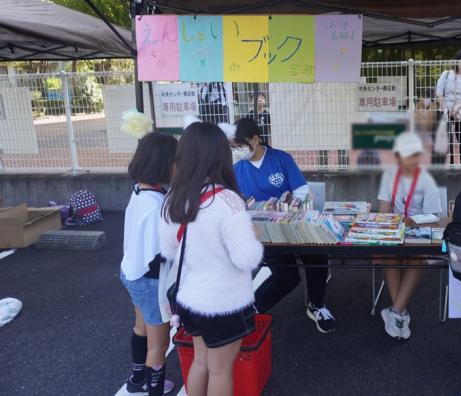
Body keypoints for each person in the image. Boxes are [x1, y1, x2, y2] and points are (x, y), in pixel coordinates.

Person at [160, 121, 264, 396]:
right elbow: (247, 258)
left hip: (190, 298)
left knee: (200, 361)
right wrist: (252, 234)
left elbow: (169, 249)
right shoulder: (227, 200)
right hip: (224, 303)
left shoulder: (175, 198)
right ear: (219, 154)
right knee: (220, 371)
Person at [233, 117, 335, 333]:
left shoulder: (281, 159)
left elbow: (302, 192)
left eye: (241, 146)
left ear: (255, 139)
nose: (239, 151)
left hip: (294, 225)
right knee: (287, 277)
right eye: (235, 147)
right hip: (265, 234)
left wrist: (286, 205)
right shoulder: (236, 170)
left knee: (317, 254)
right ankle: (252, 309)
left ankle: (317, 305)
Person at [120, 132, 177, 396]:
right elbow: (160, 255)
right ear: (165, 165)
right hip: (149, 279)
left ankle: (136, 379)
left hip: (131, 271)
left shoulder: (140, 191)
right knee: (159, 341)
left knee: (140, 327)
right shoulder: (156, 205)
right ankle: (155, 388)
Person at [377, 132, 442, 339]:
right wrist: (390, 222)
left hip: (418, 235)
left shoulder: (427, 180)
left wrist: (411, 222)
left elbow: (434, 219)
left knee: (417, 258)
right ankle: (399, 312)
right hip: (395, 233)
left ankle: (396, 312)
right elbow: (383, 210)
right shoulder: (389, 176)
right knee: (389, 256)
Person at [436, 49, 461, 165]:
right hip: (445, 111)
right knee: (442, 144)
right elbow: (439, 92)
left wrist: (457, 107)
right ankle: (441, 168)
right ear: (456, 61)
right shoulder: (447, 74)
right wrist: (445, 110)